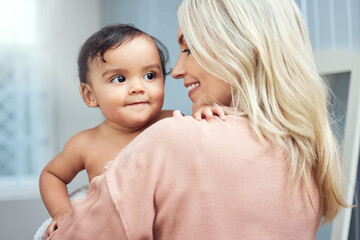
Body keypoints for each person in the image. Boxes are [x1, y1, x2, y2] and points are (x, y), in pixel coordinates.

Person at [47, 0, 348, 239]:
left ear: (238, 49)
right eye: (119, 78)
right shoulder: (308, 154)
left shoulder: (171, 136)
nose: (175, 71)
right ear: (89, 95)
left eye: (188, 49)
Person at [40, 24, 174, 238]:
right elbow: (51, 175)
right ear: (89, 95)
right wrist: (62, 211)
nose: (138, 87)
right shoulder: (85, 143)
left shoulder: (173, 123)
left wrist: (206, 108)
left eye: (150, 75)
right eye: (119, 79)